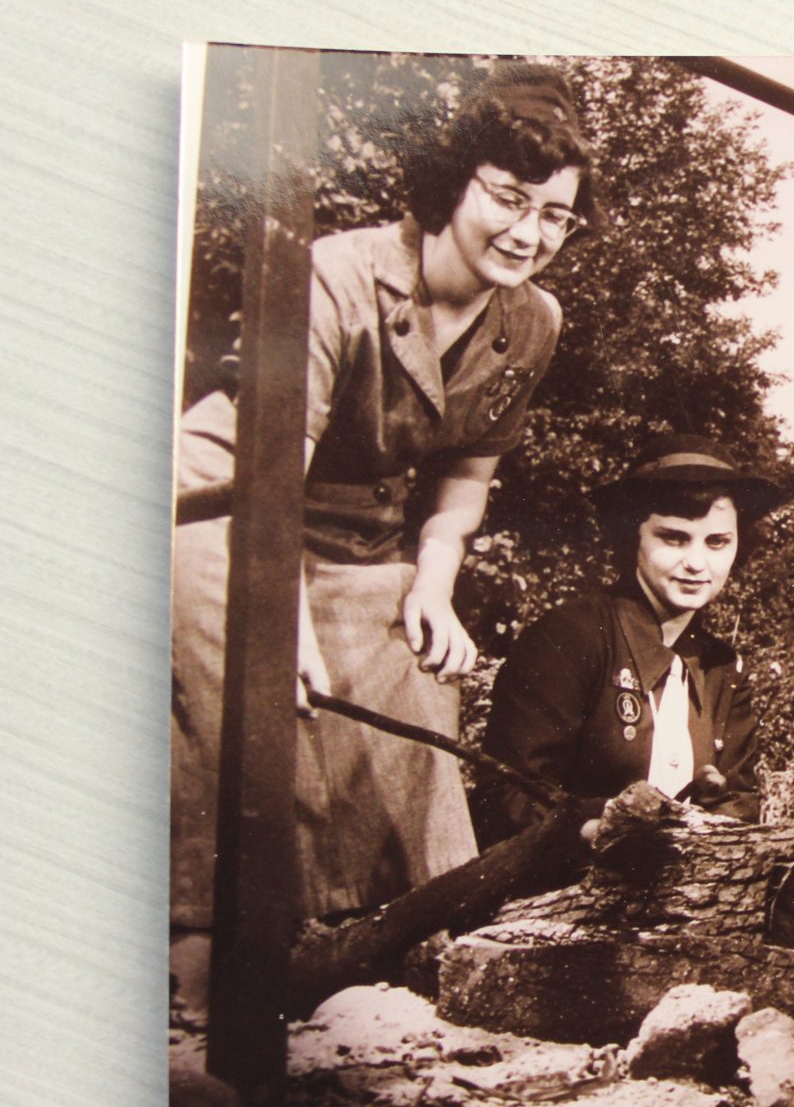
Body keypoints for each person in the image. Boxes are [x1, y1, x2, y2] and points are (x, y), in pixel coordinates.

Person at [171, 62, 598, 935]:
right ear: (455, 184)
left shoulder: (533, 322)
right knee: (253, 673)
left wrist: (433, 581)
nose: (529, 234)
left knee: (412, 666)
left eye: (556, 214)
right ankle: (219, 939)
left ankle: (395, 929)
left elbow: (467, 477)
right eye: (510, 199)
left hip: (354, 541)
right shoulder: (335, 274)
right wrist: (274, 615)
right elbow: (268, 475)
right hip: (223, 506)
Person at [472, 435, 782, 845]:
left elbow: (738, 805)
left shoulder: (722, 668)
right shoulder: (568, 639)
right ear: (631, 535)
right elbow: (504, 799)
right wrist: (596, 826)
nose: (696, 562)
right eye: (673, 538)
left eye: (717, 542)